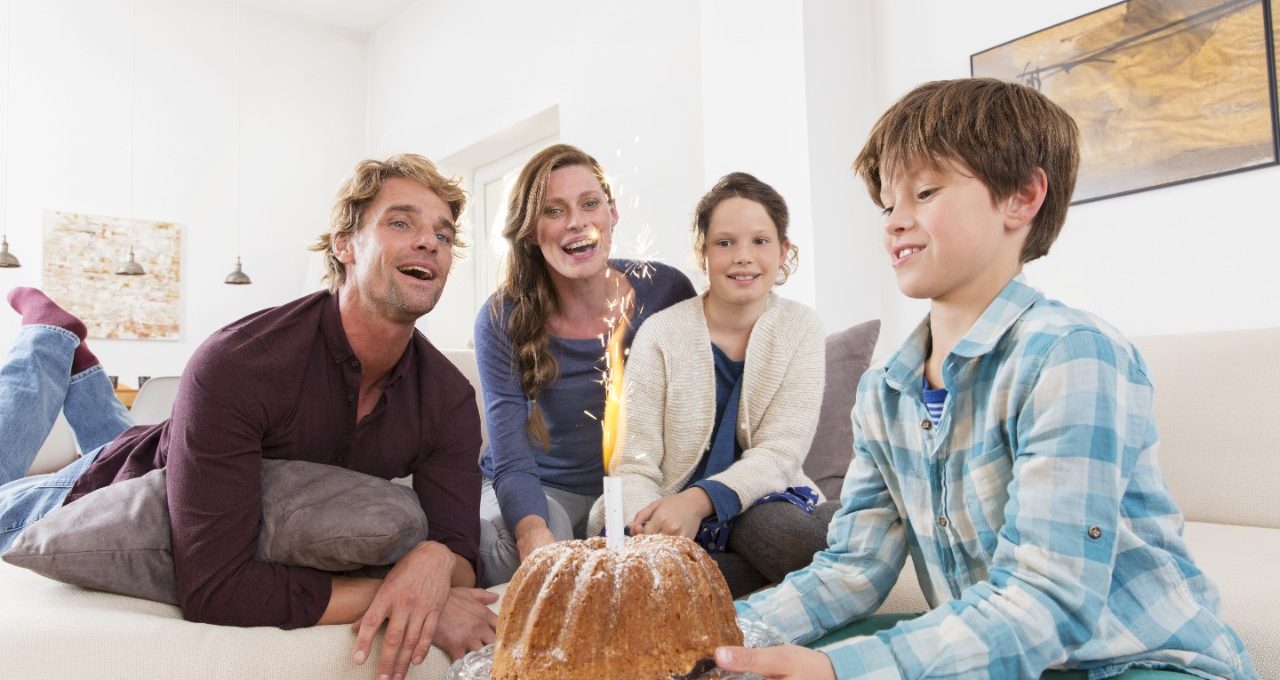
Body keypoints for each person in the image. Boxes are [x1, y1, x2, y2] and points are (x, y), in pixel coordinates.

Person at [715, 79, 1256, 679]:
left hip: (1138, 663)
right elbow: (851, 568)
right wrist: (721, 639)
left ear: (1022, 197)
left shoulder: (1072, 355)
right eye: (888, 204)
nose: (895, 221)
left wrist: (838, 670)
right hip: (1001, 659)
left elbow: (1046, 601)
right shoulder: (884, 393)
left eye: (923, 192)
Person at [0, 154, 498, 680]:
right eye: (401, 222)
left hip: (177, 443)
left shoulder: (448, 397)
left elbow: (463, 553)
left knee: (132, 433)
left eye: (443, 235)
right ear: (344, 244)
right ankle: (48, 339)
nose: (429, 243)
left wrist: (437, 560)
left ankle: (80, 370)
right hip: (92, 486)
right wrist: (406, 597)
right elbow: (214, 588)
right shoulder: (241, 362)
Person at [586, 172, 837, 597]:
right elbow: (634, 463)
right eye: (725, 243)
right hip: (669, 514)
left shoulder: (801, 327)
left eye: (760, 241)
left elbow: (779, 453)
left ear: (784, 252)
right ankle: (692, 580)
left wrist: (701, 501)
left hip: (760, 502)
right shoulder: (661, 333)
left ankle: (679, 587)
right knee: (620, 543)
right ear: (702, 253)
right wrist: (658, 526)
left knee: (790, 533)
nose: (743, 256)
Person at [474, 143, 696, 586]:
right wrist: (532, 532)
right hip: (541, 485)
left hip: (637, 486)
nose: (577, 221)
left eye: (590, 203)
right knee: (513, 552)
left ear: (612, 212)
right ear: (530, 233)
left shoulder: (667, 290)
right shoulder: (501, 317)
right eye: (553, 211)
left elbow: (697, 410)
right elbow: (510, 455)